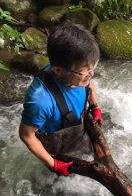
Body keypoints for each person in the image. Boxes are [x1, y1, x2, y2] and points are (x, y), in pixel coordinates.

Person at [19, 22, 103, 176]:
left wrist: (94, 106)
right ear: (58, 70)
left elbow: (89, 83)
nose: (92, 75)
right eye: (85, 72)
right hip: (58, 149)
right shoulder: (40, 100)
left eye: (93, 68)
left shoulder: (78, 74)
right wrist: (54, 164)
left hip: (79, 133)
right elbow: (26, 135)